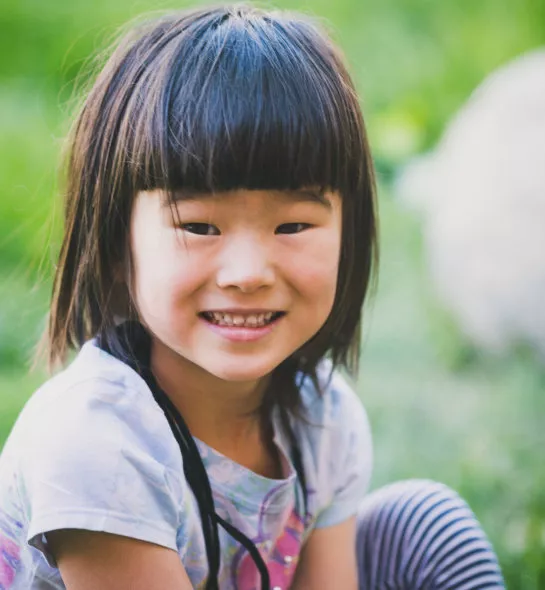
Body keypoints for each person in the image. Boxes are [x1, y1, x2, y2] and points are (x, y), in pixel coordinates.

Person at [0, 5, 504, 589]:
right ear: (117, 242)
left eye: (292, 227)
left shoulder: (325, 418)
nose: (246, 273)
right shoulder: (97, 447)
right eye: (199, 227)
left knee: (422, 525)